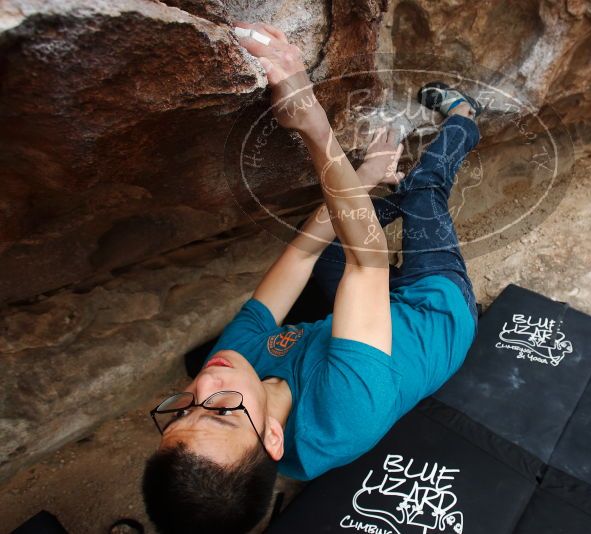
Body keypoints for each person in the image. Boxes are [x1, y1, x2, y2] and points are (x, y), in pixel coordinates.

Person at [141, 21, 482, 534]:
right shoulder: (344, 413)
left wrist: (362, 177)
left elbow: (301, 256)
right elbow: (364, 262)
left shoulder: (235, 372)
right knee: (424, 187)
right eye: (219, 412)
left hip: (370, 312)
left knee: (324, 256)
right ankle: (465, 117)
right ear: (274, 440)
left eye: (181, 411)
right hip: (434, 311)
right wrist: (311, 120)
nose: (205, 384)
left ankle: (375, 188)